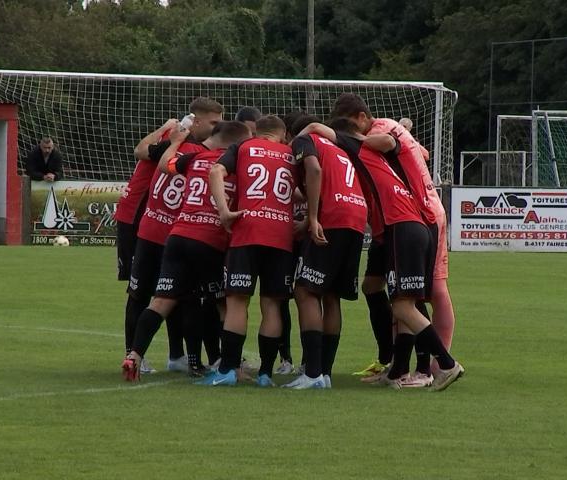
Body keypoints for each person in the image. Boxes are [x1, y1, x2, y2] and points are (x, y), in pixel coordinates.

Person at [304, 116, 463, 391]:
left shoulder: (361, 146)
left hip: (404, 228)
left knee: (405, 305)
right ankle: (399, 369)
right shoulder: (381, 155)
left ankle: (445, 364)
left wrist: (300, 138)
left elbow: (319, 129)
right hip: (413, 226)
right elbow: (415, 149)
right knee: (400, 297)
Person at [121, 121, 252, 382]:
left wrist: (176, 142)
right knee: (224, 305)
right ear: (235, 145)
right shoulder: (236, 166)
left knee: (162, 301)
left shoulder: (196, 157)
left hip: (178, 236)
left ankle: (133, 356)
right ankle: (230, 367)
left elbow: (164, 165)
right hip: (209, 240)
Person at [198, 115, 298, 388]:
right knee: (272, 304)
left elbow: (215, 172)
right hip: (280, 235)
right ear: (283, 134)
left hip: (247, 229)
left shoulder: (243, 147)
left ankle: (228, 370)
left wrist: (223, 211)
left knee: (237, 301)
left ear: (258, 132)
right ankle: (266, 373)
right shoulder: (291, 154)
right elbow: (300, 190)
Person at [285, 114, 369, 389]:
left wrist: (312, 218)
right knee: (332, 295)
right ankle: (325, 374)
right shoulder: (337, 148)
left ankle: (312, 374)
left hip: (333, 215)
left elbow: (315, 171)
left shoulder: (303, 140)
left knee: (306, 290)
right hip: (356, 217)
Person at [116, 97, 224, 282]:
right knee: (141, 284)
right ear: (196, 121)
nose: (218, 127)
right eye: (214, 122)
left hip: (156, 220)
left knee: (157, 285)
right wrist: (165, 129)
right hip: (138, 213)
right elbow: (140, 151)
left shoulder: (181, 139)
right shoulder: (177, 141)